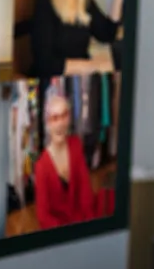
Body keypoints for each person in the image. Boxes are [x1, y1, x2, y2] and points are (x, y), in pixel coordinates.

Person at [34, 91, 104, 229]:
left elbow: (86, 194)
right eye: (55, 118)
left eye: (64, 116)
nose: (60, 123)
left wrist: (89, 227)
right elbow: (44, 216)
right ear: (48, 123)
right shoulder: (41, 166)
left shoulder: (76, 145)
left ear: (69, 118)